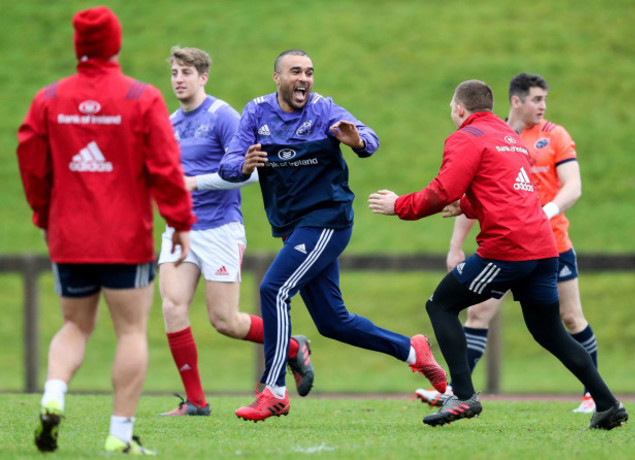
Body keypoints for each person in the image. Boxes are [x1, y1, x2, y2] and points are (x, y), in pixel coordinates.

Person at [368, 80, 627, 430]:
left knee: (440, 305)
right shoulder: (510, 139)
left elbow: (443, 188)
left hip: (509, 248)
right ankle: (608, 404)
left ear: (460, 109)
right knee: (549, 332)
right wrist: (467, 204)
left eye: (451, 106)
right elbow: (503, 190)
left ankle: (463, 396)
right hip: (544, 247)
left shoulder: (466, 137)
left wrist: (398, 205)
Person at [217, 49, 447, 422]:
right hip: (293, 227)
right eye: (295, 71)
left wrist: (357, 142)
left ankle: (273, 391)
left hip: (327, 220)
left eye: (309, 72)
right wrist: (241, 167)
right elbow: (228, 164)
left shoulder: (324, 110)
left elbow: (368, 137)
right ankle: (412, 350)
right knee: (332, 322)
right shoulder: (257, 112)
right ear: (277, 78)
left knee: (273, 289)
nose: (304, 78)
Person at [16, 6, 195, 454]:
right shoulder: (141, 97)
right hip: (125, 238)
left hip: (69, 237)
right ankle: (119, 435)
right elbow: (165, 167)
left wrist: (42, 215)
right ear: (115, 43)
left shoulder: (49, 98)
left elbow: (30, 161)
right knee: (131, 331)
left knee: (74, 326)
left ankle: (54, 394)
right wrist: (179, 221)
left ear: (79, 45)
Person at [414, 73, 599, 413]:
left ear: (458, 109)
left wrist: (545, 211)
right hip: (524, 243)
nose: (543, 106)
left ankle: (592, 392)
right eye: (536, 99)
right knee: (481, 313)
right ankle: (459, 391)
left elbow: (573, 186)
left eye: (544, 99)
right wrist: (457, 244)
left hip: (548, 240)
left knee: (570, 318)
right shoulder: (500, 134)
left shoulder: (553, 135)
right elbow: (475, 196)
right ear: (515, 101)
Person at [158, 46, 315, 416]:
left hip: (220, 230)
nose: (179, 80)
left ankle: (292, 347)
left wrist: (194, 183)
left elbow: (254, 171)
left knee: (224, 321)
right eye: (175, 73)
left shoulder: (222, 116)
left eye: (186, 73)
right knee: (171, 307)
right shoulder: (169, 122)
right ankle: (196, 402)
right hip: (181, 229)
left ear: (203, 77)